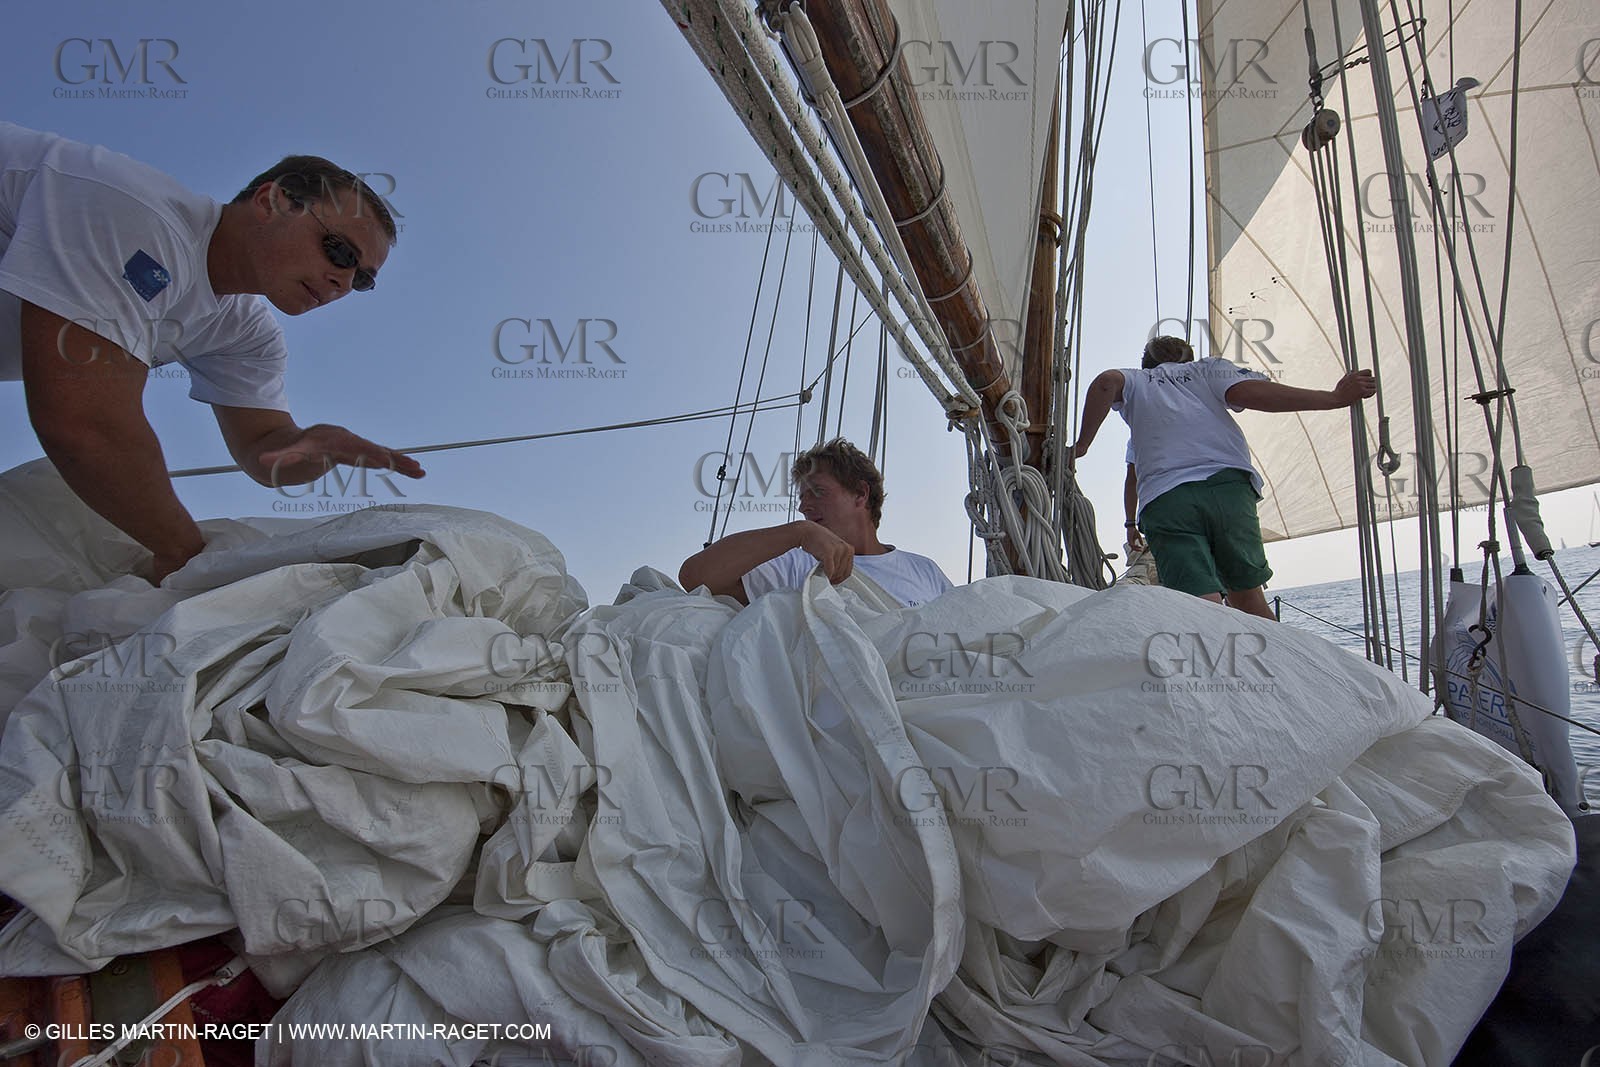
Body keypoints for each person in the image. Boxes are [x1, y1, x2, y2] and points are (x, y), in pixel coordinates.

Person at [0, 122, 423, 582]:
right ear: (270, 201)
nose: (343, 281)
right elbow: (84, 423)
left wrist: (314, 450)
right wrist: (186, 555)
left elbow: (264, 452)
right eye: (340, 252)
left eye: (362, 279)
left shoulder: (245, 332)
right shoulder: (137, 215)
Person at [1073, 335, 1375, 619]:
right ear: (1189, 358)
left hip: (1167, 500)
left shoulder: (1136, 381)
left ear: (1146, 364)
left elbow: (1105, 383)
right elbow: (1252, 393)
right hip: (1228, 490)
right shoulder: (1208, 369)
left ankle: (1218, 667)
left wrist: (1082, 446)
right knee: (1249, 600)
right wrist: (1335, 398)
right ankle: (1276, 668)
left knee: (1202, 606)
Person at [679, 438, 953, 608]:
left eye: (818, 492)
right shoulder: (795, 563)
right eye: (801, 496)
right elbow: (696, 577)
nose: (803, 506)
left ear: (860, 494)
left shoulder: (925, 571)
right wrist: (799, 532)